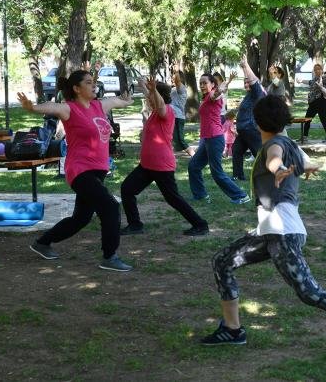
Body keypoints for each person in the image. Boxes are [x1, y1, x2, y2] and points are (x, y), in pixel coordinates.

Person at [200, 94, 326, 358]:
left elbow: (274, 158)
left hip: (282, 231)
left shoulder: (276, 145)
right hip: (272, 228)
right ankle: (232, 329)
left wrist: (277, 168)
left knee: (309, 292)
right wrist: (306, 166)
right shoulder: (289, 142)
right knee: (223, 261)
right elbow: (305, 162)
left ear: (258, 123)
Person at [18, 70, 134, 272]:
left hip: (98, 170)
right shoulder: (69, 109)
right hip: (80, 170)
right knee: (110, 206)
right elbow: (51, 107)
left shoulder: (99, 105)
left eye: (94, 82)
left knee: (80, 219)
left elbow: (119, 102)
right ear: (77, 88)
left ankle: (42, 243)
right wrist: (32, 107)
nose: (93, 86)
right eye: (89, 83)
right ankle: (110, 256)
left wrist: (128, 100)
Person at [120, 78, 210, 237]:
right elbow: (153, 99)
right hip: (147, 165)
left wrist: (153, 91)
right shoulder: (154, 111)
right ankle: (135, 225)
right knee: (127, 189)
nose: (148, 99)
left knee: (173, 199)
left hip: (161, 165)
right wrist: (144, 87)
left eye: (152, 96)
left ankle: (200, 224)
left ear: (159, 96)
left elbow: (159, 104)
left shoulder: (166, 111)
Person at [188, 72, 250, 204]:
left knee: (216, 172)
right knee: (193, 166)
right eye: (200, 83)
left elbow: (217, 93)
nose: (202, 85)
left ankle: (241, 195)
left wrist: (224, 85)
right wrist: (227, 82)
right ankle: (200, 196)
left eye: (205, 83)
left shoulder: (214, 95)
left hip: (215, 138)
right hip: (207, 139)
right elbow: (218, 90)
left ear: (212, 84)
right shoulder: (205, 98)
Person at [231, 55, 266, 181]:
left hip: (251, 130)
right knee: (236, 150)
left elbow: (254, 81)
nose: (246, 83)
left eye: (248, 82)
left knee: (259, 154)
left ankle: (268, 175)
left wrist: (246, 66)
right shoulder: (248, 96)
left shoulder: (257, 93)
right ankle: (237, 176)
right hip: (243, 130)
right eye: (244, 82)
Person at [300, 63, 326, 144]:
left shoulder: (323, 78)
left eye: (319, 69)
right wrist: (300, 80)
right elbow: (309, 82)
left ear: (321, 70)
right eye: (315, 69)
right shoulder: (314, 79)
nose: (317, 70)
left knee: (323, 119)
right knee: (307, 119)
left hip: (321, 102)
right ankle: (304, 137)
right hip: (313, 103)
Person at [168, 72, 192, 156]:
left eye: (174, 77)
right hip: (173, 116)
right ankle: (170, 157)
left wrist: (176, 71)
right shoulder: (174, 88)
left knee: (181, 140)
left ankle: (194, 155)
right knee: (173, 138)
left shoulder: (181, 88)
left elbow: (177, 81)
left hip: (178, 117)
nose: (173, 78)